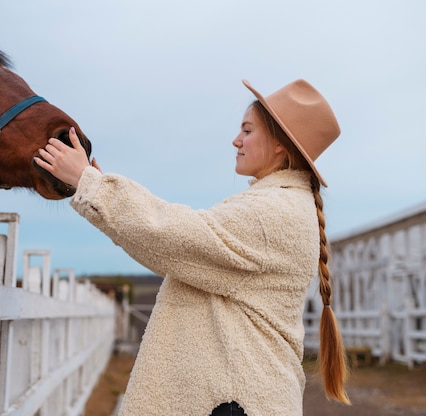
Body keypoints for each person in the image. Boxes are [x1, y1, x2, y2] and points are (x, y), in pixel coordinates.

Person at [34, 79, 350, 415]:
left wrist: (90, 184)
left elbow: (172, 236)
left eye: (247, 130)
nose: (236, 140)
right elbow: (175, 242)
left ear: (279, 146)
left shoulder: (272, 213)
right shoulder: (283, 206)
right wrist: (100, 191)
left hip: (233, 404)